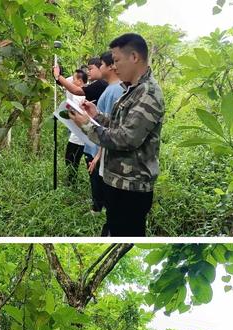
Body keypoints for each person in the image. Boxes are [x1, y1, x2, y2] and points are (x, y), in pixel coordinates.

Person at [70, 33, 165, 236]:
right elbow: (119, 125)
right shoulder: (132, 90)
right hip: (118, 182)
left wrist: (88, 126)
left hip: (131, 187)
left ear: (134, 57)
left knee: (126, 233)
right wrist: (97, 116)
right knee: (114, 229)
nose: (114, 67)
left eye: (116, 61)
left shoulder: (148, 93)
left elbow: (127, 139)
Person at [54, 57, 108, 212]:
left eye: (91, 68)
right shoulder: (100, 86)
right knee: (91, 167)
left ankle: (97, 207)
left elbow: (75, 89)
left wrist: (58, 76)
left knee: (93, 168)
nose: (89, 72)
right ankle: (97, 203)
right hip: (93, 134)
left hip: (92, 135)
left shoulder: (101, 85)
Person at [87, 51, 124, 235]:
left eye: (100, 64)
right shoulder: (111, 88)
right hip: (99, 148)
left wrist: (98, 155)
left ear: (111, 66)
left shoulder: (117, 90)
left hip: (103, 151)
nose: (98, 68)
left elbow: (111, 129)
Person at [64, 69, 88, 183]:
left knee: (71, 159)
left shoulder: (79, 96)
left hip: (79, 134)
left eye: (74, 79)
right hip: (80, 132)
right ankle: (72, 181)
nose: (72, 81)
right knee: (74, 158)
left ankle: (71, 182)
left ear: (79, 80)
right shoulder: (86, 91)